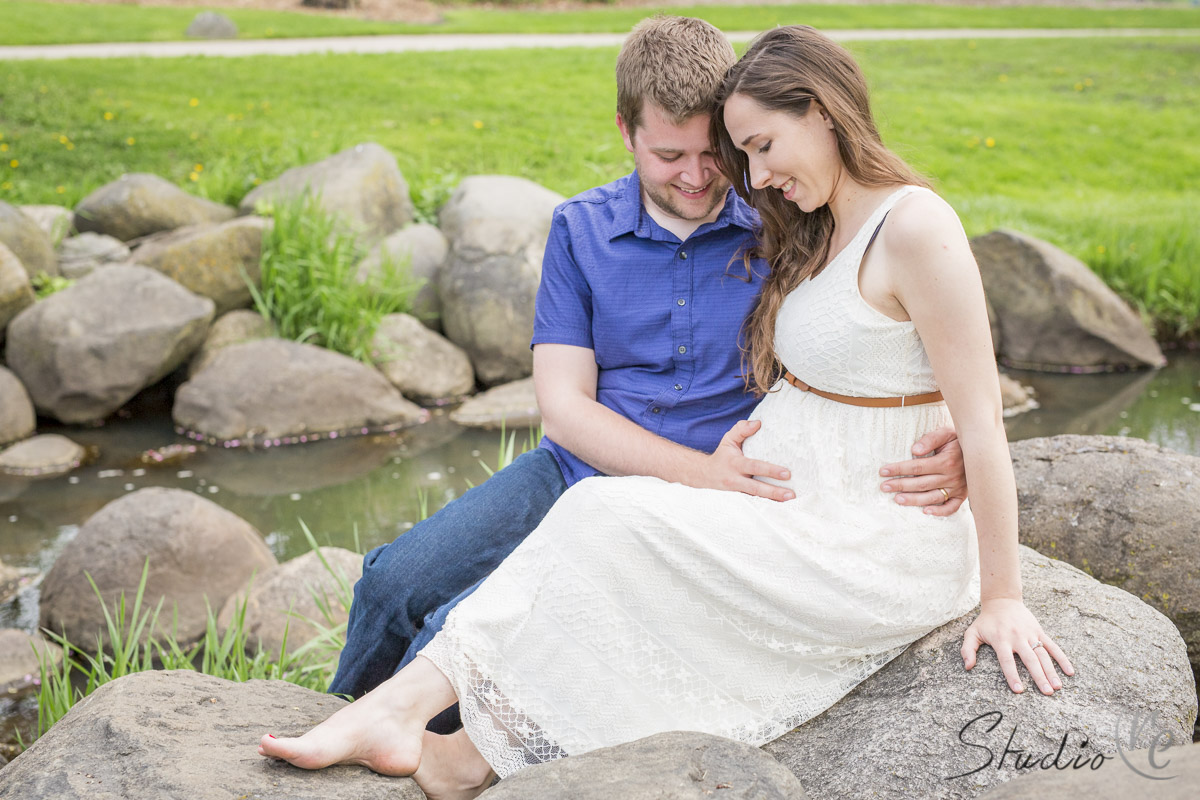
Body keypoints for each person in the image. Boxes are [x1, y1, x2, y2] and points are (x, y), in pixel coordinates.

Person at [260, 23, 1075, 800]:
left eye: (728, 152)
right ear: (626, 133)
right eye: (673, 153)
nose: (715, 175)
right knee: (394, 583)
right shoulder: (615, 227)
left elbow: (937, 349)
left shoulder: (789, 217)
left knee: (472, 607)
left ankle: (428, 742)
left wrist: (971, 470)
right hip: (605, 466)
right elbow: (565, 411)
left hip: (773, 500)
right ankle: (379, 728)